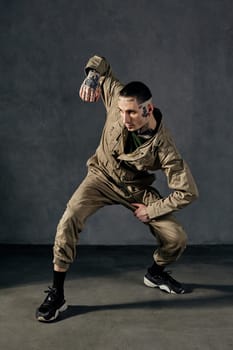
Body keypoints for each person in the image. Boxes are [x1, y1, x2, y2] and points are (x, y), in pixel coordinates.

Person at [36, 55, 199, 322]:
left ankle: (155, 273)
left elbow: (187, 191)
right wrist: (91, 76)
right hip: (100, 177)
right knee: (69, 218)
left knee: (176, 238)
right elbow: (101, 63)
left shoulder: (165, 147)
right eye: (122, 111)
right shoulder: (116, 99)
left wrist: (152, 209)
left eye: (132, 112)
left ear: (148, 109)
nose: (125, 118)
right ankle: (58, 293)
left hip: (135, 189)